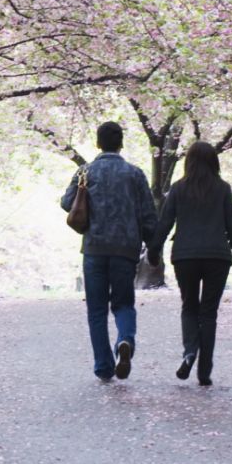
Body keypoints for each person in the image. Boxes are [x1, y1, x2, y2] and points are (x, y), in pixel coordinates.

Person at [59, 121, 160, 382]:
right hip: (125, 249)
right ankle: (124, 341)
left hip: (94, 248)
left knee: (96, 309)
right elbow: (149, 216)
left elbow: (67, 203)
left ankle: (103, 367)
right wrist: (153, 248)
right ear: (121, 143)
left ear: (98, 143)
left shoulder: (85, 171)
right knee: (124, 303)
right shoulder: (135, 174)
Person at [151, 141, 232, 387]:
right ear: (214, 162)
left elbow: (165, 223)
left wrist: (154, 249)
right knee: (209, 312)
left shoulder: (178, 189)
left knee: (189, 306)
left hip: (185, 256)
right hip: (217, 256)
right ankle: (205, 370)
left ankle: (189, 352)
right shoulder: (223, 189)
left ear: (188, 162)